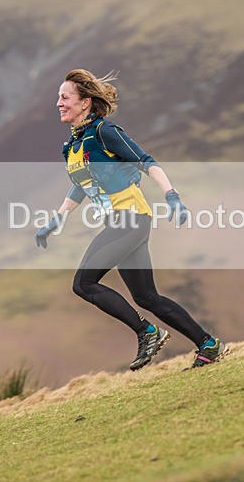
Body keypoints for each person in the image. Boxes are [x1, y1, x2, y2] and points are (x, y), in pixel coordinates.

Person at [35, 68, 228, 371]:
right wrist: (57, 220)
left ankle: (147, 332)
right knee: (147, 296)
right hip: (120, 221)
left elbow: (145, 162)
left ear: (85, 102)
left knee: (84, 284)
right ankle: (208, 344)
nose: (58, 103)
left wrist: (172, 196)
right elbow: (81, 184)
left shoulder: (104, 131)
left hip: (131, 217)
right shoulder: (72, 145)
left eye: (64, 97)